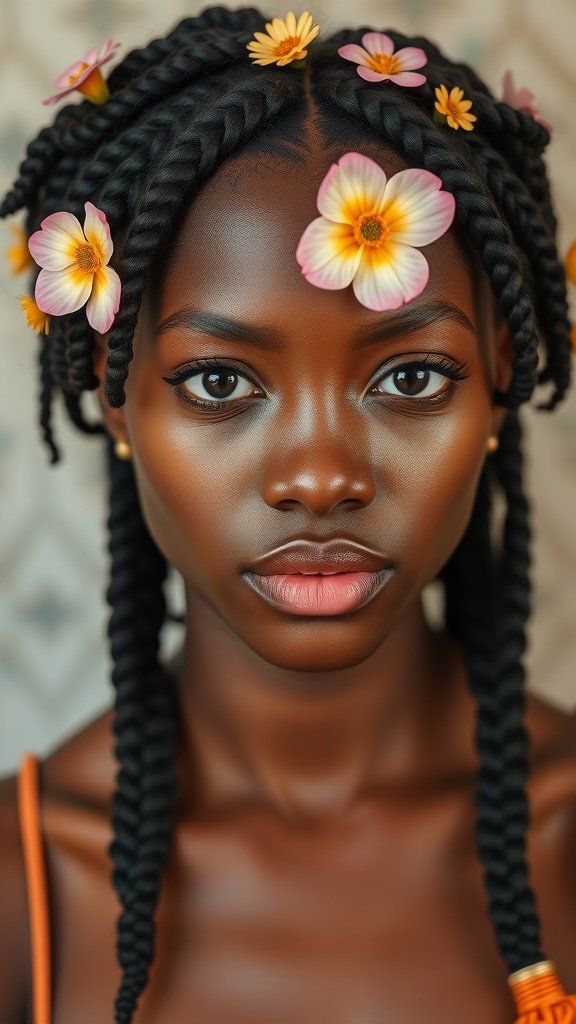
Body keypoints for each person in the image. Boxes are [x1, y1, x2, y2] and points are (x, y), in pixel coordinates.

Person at [1, 6, 575, 1023]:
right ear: (113, 392)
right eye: (220, 381)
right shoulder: (22, 883)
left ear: (499, 377)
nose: (318, 477)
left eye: (411, 374)